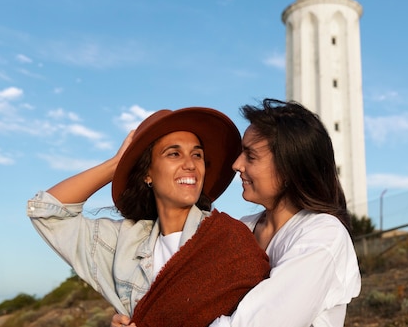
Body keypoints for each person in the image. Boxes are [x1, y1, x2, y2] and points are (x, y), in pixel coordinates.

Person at [113, 99, 361, 327]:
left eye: (250, 156)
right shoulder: (238, 230)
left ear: (288, 169)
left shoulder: (323, 236)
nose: (236, 165)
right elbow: (183, 299)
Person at [27, 107, 269, 327]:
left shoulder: (229, 239)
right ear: (147, 174)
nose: (190, 165)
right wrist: (115, 165)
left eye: (197, 155)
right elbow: (49, 212)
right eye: (174, 154)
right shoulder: (121, 243)